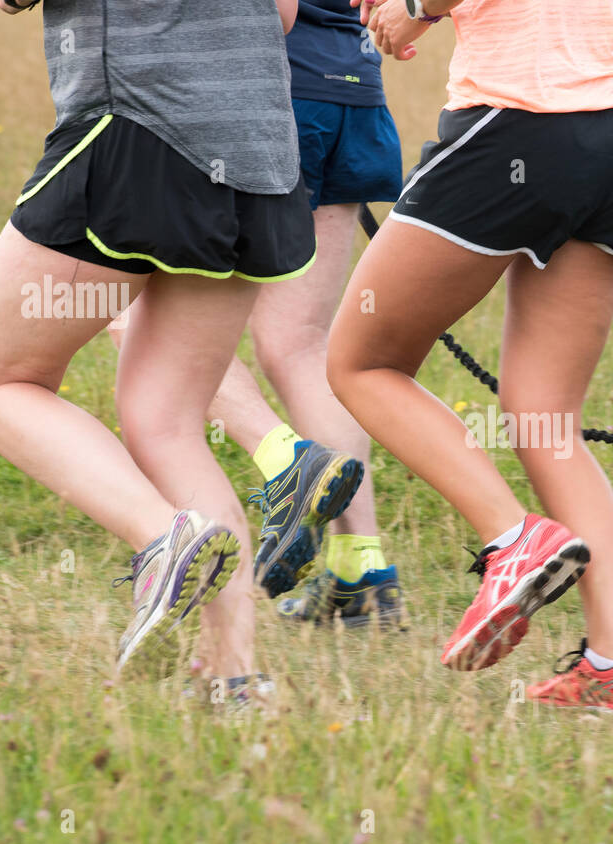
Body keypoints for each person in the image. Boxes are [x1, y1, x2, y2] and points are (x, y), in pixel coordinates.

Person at [0, 0, 323, 701]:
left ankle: (165, 537)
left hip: (140, 130)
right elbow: (281, 13)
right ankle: (233, 676)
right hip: (257, 150)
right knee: (168, 420)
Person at [327, 0, 613, 712]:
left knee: (360, 362)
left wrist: (419, 10)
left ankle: (511, 539)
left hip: (521, 124)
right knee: (547, 417)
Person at [105, 0, 406, 628]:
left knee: (131, 314)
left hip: (264, 97)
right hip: (354, 95)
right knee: (300, 343)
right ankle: (361, 571)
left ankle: (284, 460)